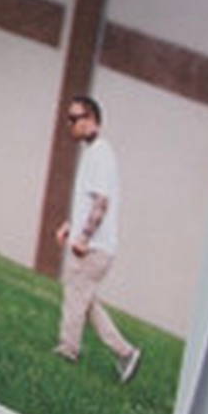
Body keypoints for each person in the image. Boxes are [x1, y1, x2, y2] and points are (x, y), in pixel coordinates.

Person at [51, 95, 142, 383]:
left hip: (94, 248)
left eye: (75, 119)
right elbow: (89, 203)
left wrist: (84, 238)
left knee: (75, 294)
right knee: (84, 299)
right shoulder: (94, 153)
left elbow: (102, 203)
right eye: (68, 119)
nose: (70, 125)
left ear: (91, 119)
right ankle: (125, 352)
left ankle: (68, 349)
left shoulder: (101, 153)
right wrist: (70, 227)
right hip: (94, 244)